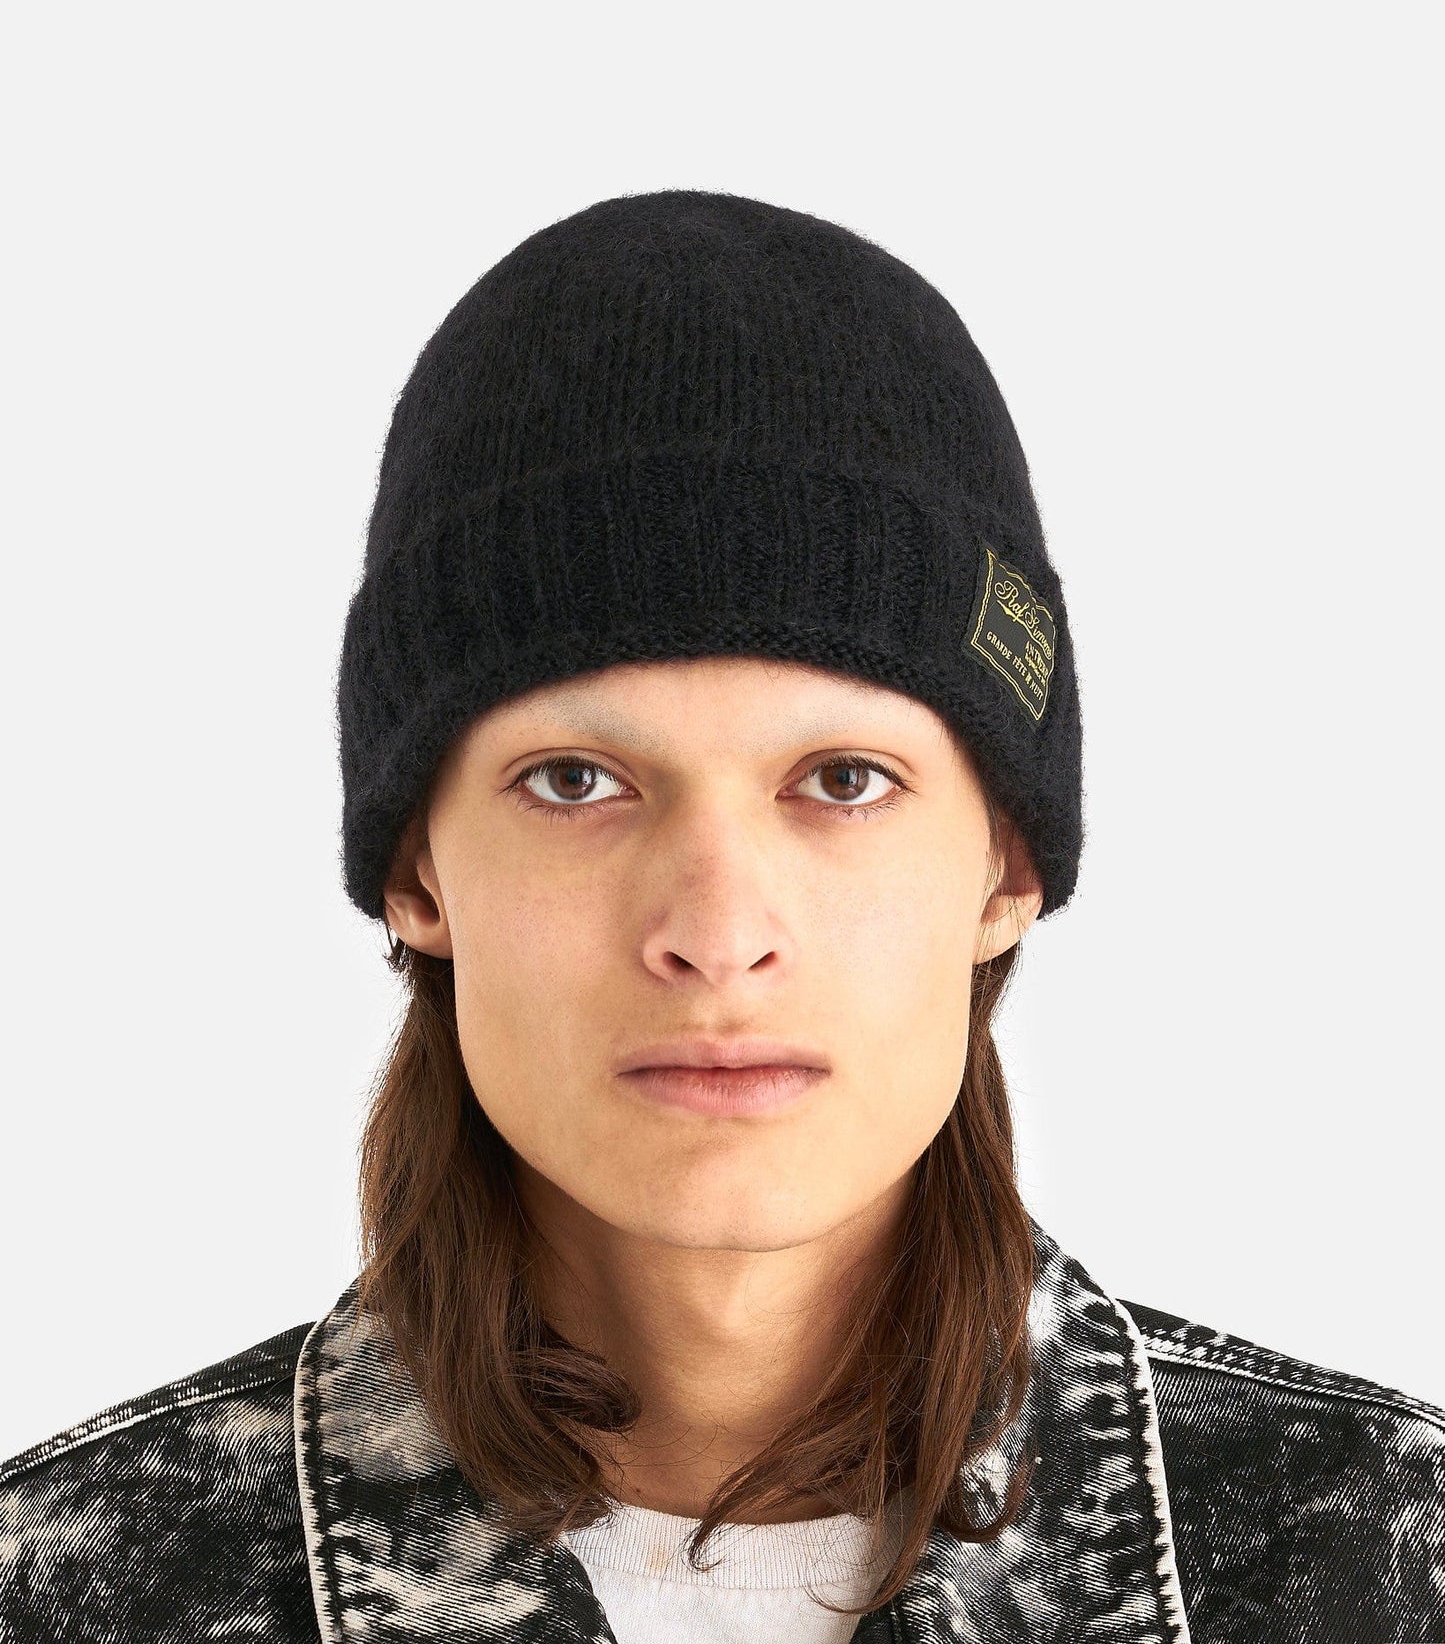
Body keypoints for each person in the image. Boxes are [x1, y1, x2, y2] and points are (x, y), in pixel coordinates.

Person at [2, 190, 1441, 1642]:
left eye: (843, 781)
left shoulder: (1379, 1563)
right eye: (576, 782)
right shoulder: (74, 1593)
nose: (717, 931)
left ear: (1006, 865)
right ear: (416, 872)